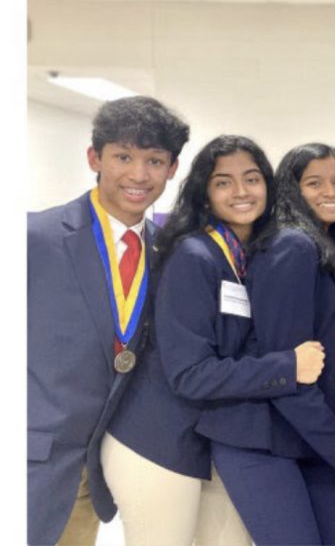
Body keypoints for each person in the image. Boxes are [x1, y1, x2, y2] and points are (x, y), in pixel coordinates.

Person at [155, 136, 335, 546]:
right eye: (314, 182)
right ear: (289, 189)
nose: (330, 192)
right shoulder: (291, 247)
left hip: (302, 438)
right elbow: (289, 365)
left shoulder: (316, 249)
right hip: (261, 438)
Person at [27, 96, 189, 545]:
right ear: (94, 158)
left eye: (154, 160)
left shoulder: (171, 255)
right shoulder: (32, 238)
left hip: (97, 474)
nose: (138, 175)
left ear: (173, 168)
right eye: (123, 157)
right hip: (30, 463)